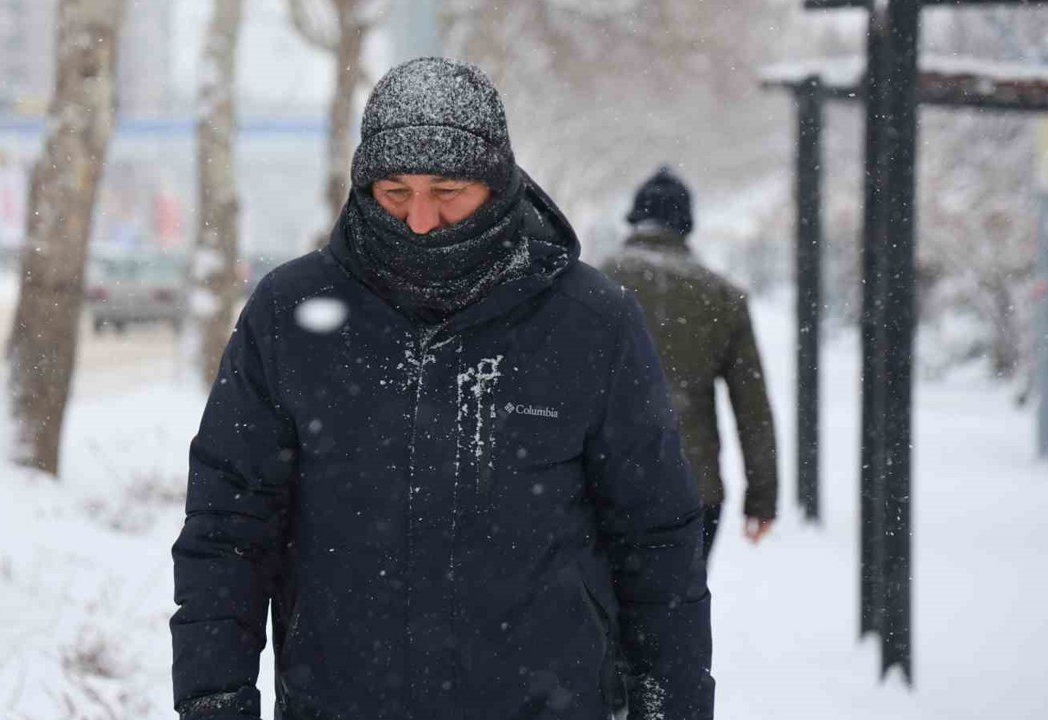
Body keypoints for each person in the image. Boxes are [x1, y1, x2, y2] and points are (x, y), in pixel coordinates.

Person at [171, 58, 713, 720]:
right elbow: (228, 529)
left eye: (447, 191)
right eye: (395, 193)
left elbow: (656, 540)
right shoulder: (290, 314)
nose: (419, 220)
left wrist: (674, 704)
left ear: (498, 182)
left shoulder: (592, 322)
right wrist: (215, 700)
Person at [601, 168, 778, 561]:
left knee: (602, 613)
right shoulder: (722, 297)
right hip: (693, 487)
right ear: (686, 226)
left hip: (605, 484)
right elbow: (753, 409)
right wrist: (762, 497)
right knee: (678, 614)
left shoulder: (595, 284)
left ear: (634, 218)